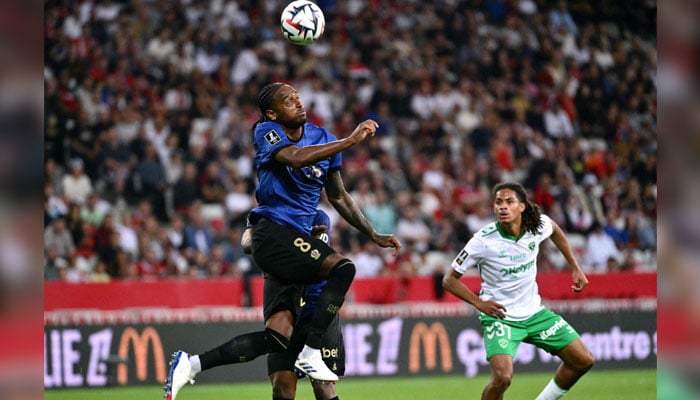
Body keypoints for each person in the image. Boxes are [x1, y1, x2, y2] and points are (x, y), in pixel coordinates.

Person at [164, 82, 400, 400]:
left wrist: (372, 234)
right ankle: (311, 351)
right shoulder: (267, 132)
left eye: (298, 98)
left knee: (281, 345)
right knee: (342, 271)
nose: (298, 103)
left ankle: (190, 365)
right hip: (277, 235)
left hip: (308, 281)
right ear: (272, 113)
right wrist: (350, 140)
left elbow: (340, 196)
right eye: (288, 101)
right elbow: (295, 158)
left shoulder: (323, 144)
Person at [442, 182, 594, 400]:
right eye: (498, 202)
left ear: (522, 206)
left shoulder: (537, 225)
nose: (503, 207)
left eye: (509, 202)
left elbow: (555, 231)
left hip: (534, 313)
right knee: (502, 378)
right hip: (500, 317)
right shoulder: (482, 240)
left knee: (583, 360)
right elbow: (449, 280)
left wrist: (575, 266)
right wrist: (479, 303)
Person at [246, 209, 344, 400]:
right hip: (283, 302)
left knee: (324, 387)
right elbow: (247, 244)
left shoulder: (318, 217)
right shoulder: (263, 215)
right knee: (282, 388)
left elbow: (310, 261)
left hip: (316, 306)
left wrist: (275, 242)